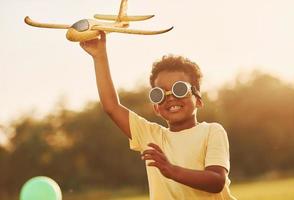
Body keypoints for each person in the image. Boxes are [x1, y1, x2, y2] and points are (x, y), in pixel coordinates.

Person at [80, 32, 236, 200]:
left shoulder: (212, 131)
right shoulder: (151, 135)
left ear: (198, 100)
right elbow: (111, 106)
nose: (170, 97)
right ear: (156, 108)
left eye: (180, 89)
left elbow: (217, 181)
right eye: (159, 94)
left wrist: (172, 170)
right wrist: (99, 56)